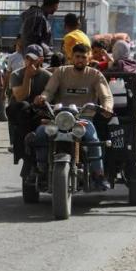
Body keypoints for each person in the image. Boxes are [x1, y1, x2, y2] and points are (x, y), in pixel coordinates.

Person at [34, 44, 114, 191]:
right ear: (71, 57)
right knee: (39, 134)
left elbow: (106, 96)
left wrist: (107, 107)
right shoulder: (61, 72)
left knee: (93, 140)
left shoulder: (95, 75)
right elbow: (49, 91)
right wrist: (43, 98)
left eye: (84, 57)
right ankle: (41, 169)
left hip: (83, 118)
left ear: (89, 58)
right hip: (59, 118)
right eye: (77, 57)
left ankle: (99, 175)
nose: (80, 60)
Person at [6, 45, 52, 163]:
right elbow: (21, 96)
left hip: (40, 113)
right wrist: (27, 77)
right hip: (22, 115)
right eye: (27, 58)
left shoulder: (47, 77)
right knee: (24, 106)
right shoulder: (16, 75)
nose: (29, 62)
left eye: (33, 59)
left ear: (41, 60)